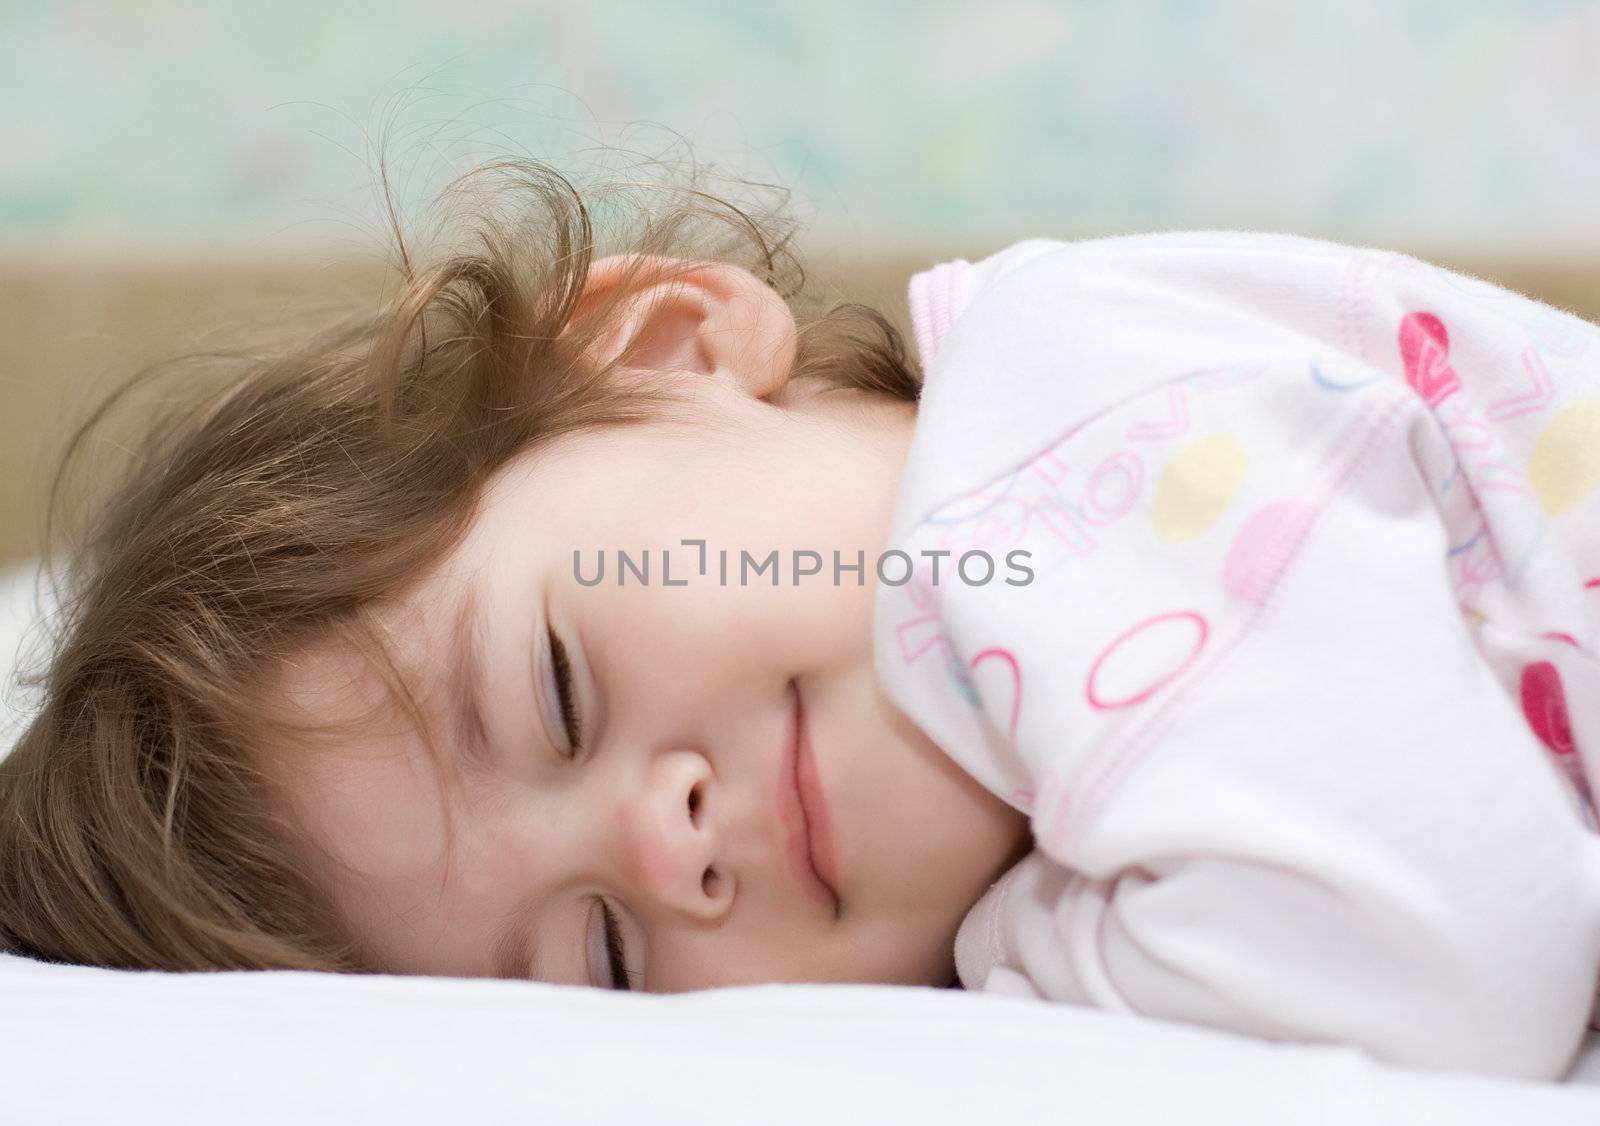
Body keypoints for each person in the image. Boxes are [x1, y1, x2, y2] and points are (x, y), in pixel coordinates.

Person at [1, 156, 1597, 1082]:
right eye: (607, 959)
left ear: (670, 344)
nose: (666, 837)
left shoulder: (1056, 462)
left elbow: (1456, 964)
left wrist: (1020, 960)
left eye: (560, 688)